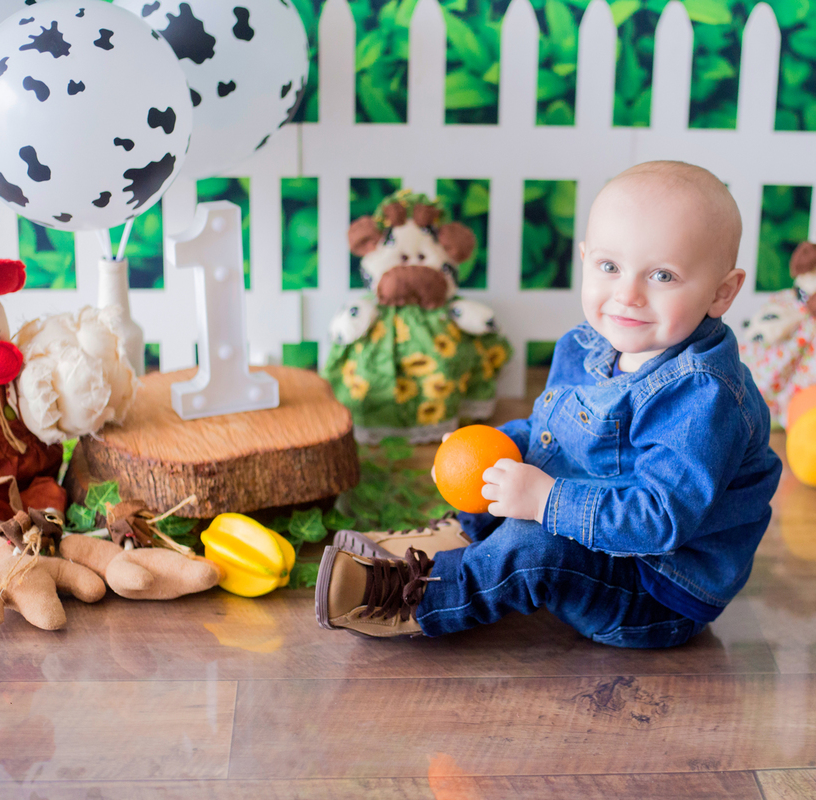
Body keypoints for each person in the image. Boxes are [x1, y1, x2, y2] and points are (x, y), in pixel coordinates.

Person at [315, 161, 782, 647]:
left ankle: (420, 598)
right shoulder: (589, 343)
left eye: (662, 275)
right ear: (585, 259)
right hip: (599, 535)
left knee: (535, 544)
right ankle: (466, 537)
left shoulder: (705, 396)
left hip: (653, 589)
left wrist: (546, 501)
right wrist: (488, 448)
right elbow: (552, 433)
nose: (627, 295)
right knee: (518, 482)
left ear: (721, 292)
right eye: (609, 267)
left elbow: (657, 520)